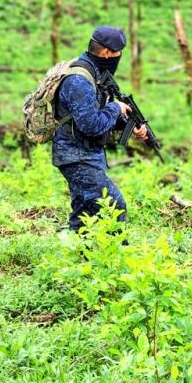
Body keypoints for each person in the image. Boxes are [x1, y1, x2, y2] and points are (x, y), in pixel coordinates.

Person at [53, 26, 148, 232]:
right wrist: (115, 108)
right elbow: (91, 125)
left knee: (85, 211)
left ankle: (76, 255)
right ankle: (115, 259)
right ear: (106, 52)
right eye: (118, 52)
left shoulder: (95, 74)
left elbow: (93, 115)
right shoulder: (79, 80)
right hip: (76, 156)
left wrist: (128, 126)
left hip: (87, 153)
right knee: (114, 206)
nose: (119, 57)